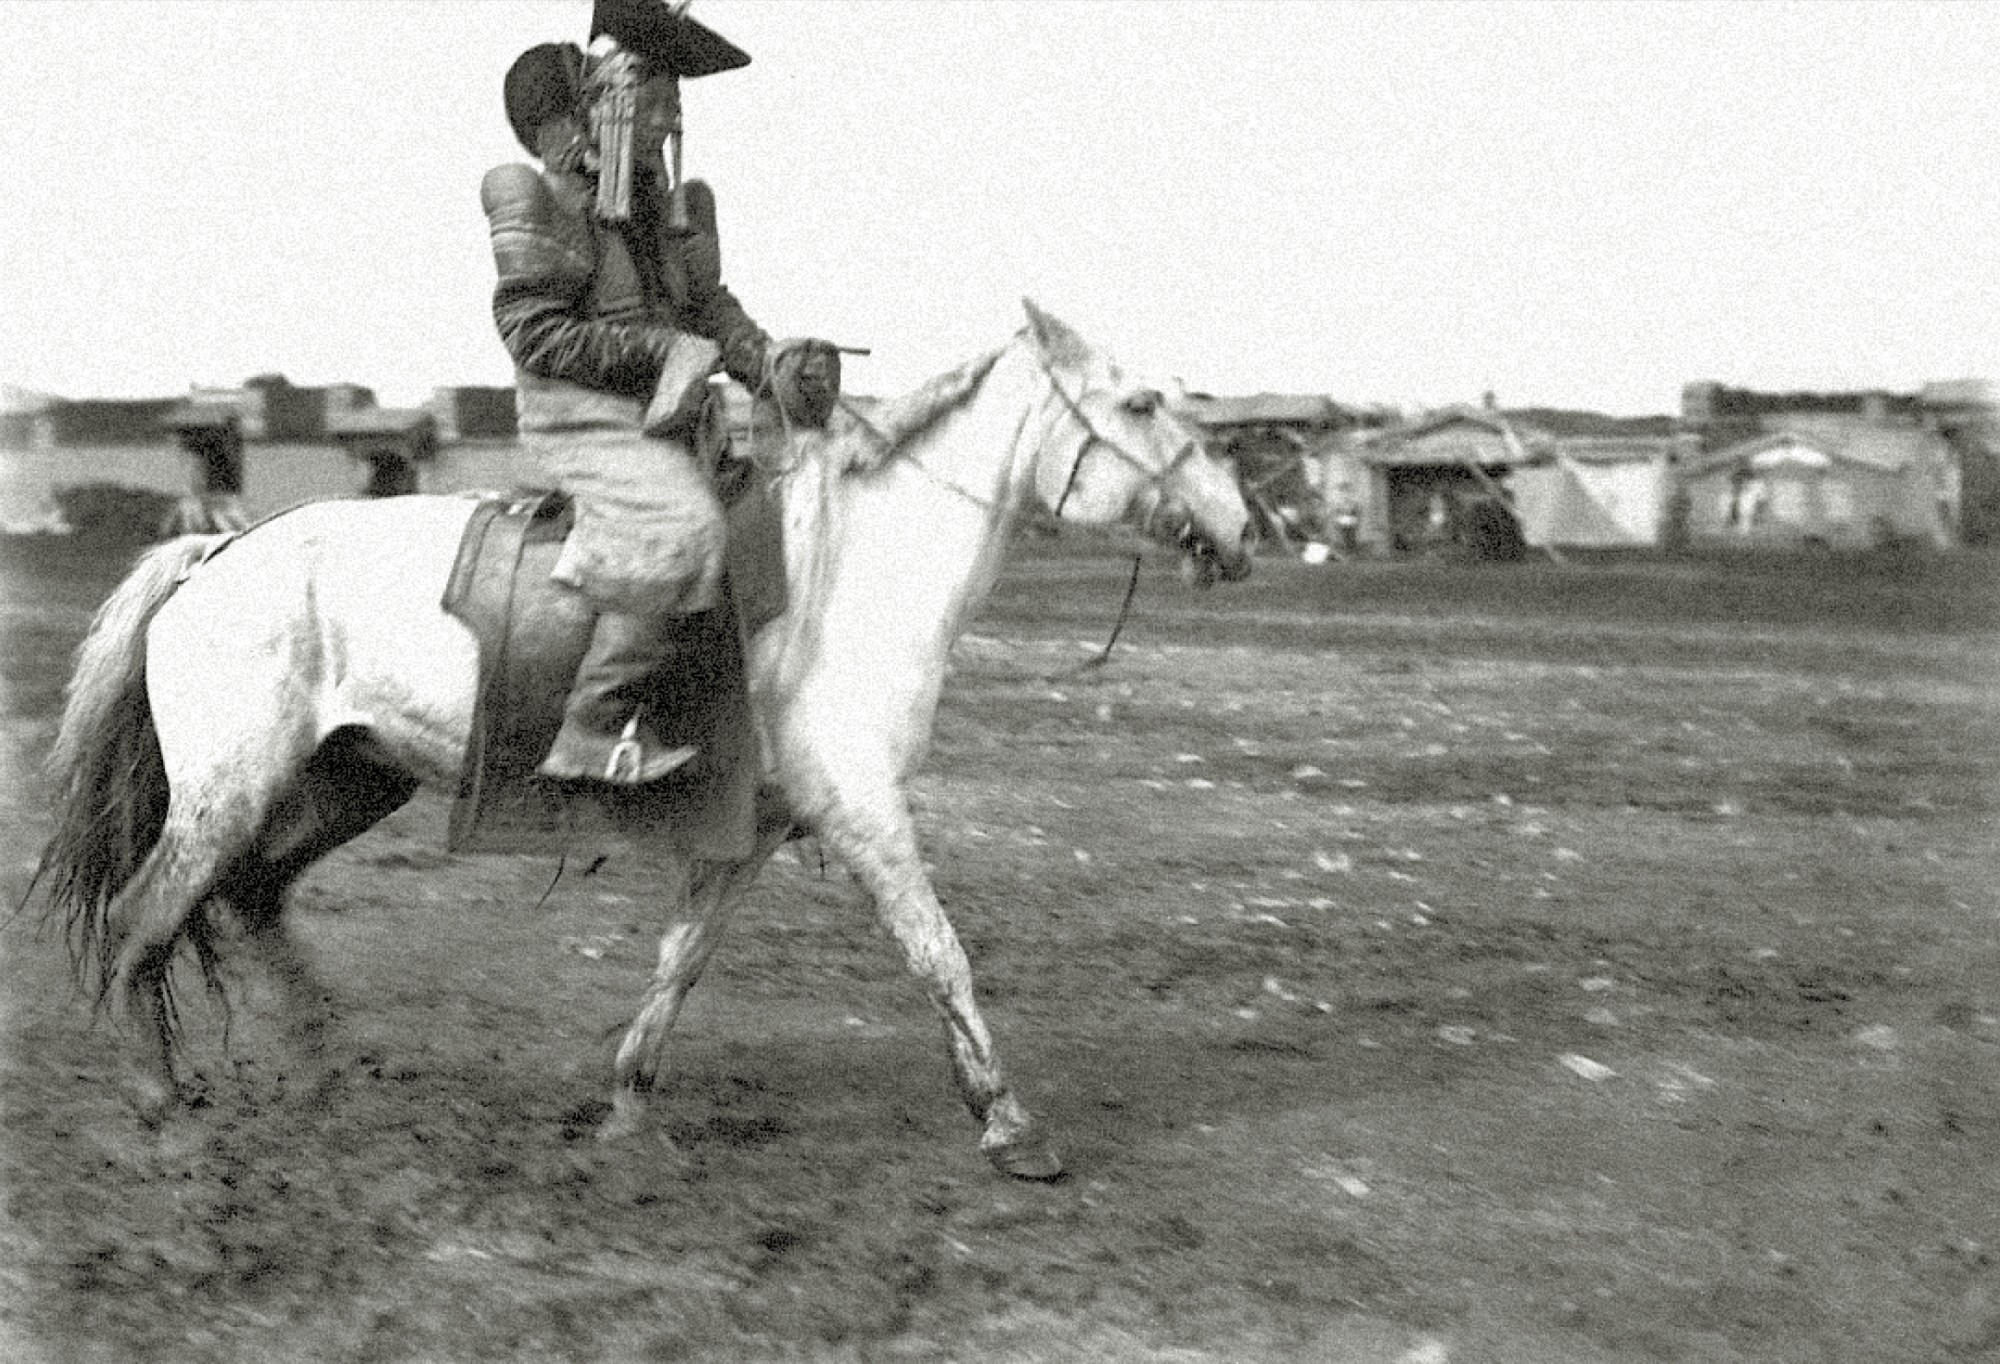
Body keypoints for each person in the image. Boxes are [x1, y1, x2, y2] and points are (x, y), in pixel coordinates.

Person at [482, 0, 840, 785]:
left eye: (675, 102)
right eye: (658, 99)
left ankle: (720, 732)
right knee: (685, 526)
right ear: (608, 99)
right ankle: (590, 725)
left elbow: (708, 310)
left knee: (770, 525)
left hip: (667, 417)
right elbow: (534, 336)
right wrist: (660, 349)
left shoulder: (668, 208)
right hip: (578, 421)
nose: (672, 118)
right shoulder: (537, 199)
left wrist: (770, 361)